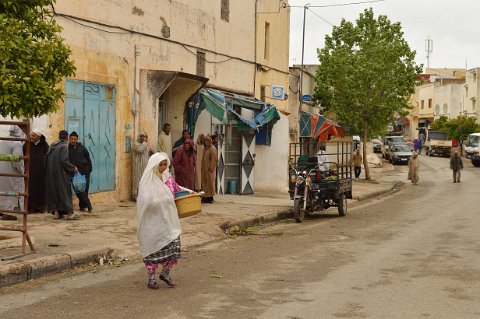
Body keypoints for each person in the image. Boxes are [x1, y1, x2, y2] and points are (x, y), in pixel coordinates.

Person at [136, 152, 193, 289]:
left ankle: (165, 274)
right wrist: (160, 199)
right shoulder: (148, 182)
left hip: (169, 221)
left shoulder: (169, 178)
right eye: (160, 165)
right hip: (153, 223)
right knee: (153, 250)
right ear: (154, 166)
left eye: (164, 164)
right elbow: (145, 201)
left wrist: (192, 192)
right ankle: (151, 279)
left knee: (174, 246)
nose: (163, 167)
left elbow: (178, 189)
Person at [45, 130, 78, 220]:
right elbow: (64, 161)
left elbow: (46, 158)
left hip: (51, 174)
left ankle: (56, 213)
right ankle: (69, 214)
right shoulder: (63, 146)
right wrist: (73, 168)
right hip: (61, 174)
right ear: (67, 137)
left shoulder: (52, 145)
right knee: (65, 192)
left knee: (55, 192)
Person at [0, 125, 25, 219]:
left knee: (3, 191)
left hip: (2, 171)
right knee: (12, 191)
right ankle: (9, 212)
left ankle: (2, 211)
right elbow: (17, 160)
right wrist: (22, 171)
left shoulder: (3, 141)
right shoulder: (16, 143)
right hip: (11, 172)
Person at [24, 129, 49, 213]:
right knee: (30, 189)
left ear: (38, 137)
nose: (31, 137)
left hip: (41, 171)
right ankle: (30, 207)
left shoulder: (44, 145)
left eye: (33, 135)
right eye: (31, 135)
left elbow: (48, 157)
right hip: (30, 170)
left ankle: (40, 206)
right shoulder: (27, 144)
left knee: (41, 188)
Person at [68, 132, 93, 212]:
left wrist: (89, 169)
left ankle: (82, 206)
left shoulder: (82, 148)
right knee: (78, 190)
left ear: (77, 139)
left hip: (84, 172)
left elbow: (88, 158)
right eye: (71, 139)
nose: (73, 140)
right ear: (69, 139)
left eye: (75, 139)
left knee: (85, 190)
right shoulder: (67, 148)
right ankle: (88, 205)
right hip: (74, 173)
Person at [131, 130, 152, 201]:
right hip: (137, 166)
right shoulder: (135, 144)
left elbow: (148, 153)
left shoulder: (145, 145)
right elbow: (140, 150)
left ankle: (143, 195)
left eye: (144, 136)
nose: (142, 137)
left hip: (144, 166)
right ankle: (135, 195)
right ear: (138, 136)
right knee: (137, 180)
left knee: (144, 181)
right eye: (141, 136)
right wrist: (145, 143)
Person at [201, 135, 217, 203]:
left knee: (210, 183)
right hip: (204, 169)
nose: (206, 142)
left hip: (209, 170)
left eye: (208, 141)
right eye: (205, 141)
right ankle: (205, 197)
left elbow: (214, 159)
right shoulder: (205, 148)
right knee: (204, 183)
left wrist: (211, 168)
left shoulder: (212, 149)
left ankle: (210, 197)